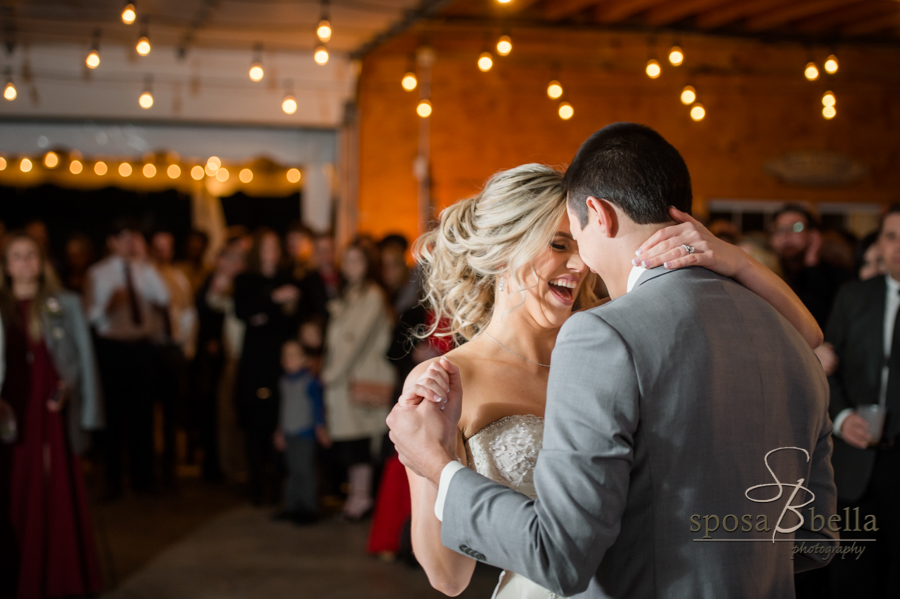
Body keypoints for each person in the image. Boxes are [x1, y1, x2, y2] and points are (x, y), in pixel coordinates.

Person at [387, 125, 836, 599]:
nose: (580, 266)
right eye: (559, 245)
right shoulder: (453, 378)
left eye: (580, 246)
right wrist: (430, 460)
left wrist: (736, 260)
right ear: (503, 251)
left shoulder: (615, 336)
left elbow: (802, 338)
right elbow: (449, 577)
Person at [0, 231, 104, 598]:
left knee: (49, 484)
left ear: (42, 262)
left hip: (49, 410)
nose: (26, 262)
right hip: (10, 409)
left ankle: (57, 574)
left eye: (32, 255)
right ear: (6, 265)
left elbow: (82, 360)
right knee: (13, 489)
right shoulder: (1, 304)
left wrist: (73, 391)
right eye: (17, 256)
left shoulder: (65, 303)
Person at [825, 205, 900, 598]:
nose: (899, 247)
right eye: (891, 236)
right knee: (854, 578)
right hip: (857, 461)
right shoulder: (854, 297)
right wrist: (841, 415)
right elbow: (826, 362)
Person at [85, 218, 169, 498]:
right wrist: (108, 306)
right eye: (122, 238)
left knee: (143, 414)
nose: (128, 243)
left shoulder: (143, 270)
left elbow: (164, 297)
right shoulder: (98, 273)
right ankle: (113, 480)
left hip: (142, 347)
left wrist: (145, 263)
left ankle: (144, 479)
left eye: (131, 238)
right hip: (113, 348)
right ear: (111, 241)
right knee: (113, 415)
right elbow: (90, 317)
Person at [322, 242, 395, 520]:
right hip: (346, 378)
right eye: (348, 261)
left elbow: (356, 342)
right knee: (352, 441)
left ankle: (361, 498)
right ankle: (357, 496)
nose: (351, 267)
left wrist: (332, 374)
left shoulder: (372, 296)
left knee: (361, 441)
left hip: (358, 377)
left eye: (357, 261)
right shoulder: (350, 293)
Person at [233, 228, 302, 505]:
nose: (272, 251)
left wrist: (265, 311)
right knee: (256, 426)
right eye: (267, 245)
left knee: (280, 423)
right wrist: (274, 300)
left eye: (276, 245)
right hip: (256, 364)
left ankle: (278, 485)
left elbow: (290, 319)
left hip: (282, 363)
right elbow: (244, 313)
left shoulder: (287, 278)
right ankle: (258, 484)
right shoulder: (246, 279)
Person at [191, 241, 246, 482]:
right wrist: (211, 340)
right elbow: (207, 311)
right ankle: (216, 465)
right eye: (230, 259)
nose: (234, 265)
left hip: (228, 358)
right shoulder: (212, 285)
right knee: (215, 412)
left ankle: (230, 463)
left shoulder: (237, 285)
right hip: (213, 362)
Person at [273, 339, 329, 524]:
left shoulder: (311, 382)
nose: (288, 359)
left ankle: (309, 508)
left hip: (305, 433)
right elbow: (283, 409)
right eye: (285, 355)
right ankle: (292, 506)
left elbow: (317, 407)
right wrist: (280, 431)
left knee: (305, 471)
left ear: (306, 360)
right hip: (290, 433)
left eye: (293, 355)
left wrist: (320, 428)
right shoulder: (283, 382)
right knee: (292, 470)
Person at [770, 204, 850, 327]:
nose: (786, 235)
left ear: (813, 236)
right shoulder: (769, 272)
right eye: (780, 229)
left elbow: (819, 315)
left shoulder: (836, 275)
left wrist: (812, 265)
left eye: (796, 227)